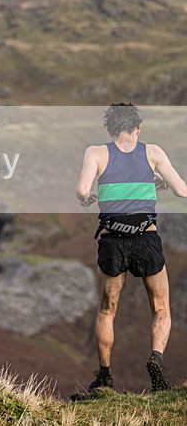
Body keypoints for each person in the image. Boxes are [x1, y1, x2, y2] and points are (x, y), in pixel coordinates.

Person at [76, 103, 187, 392]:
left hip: (112, 240)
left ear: (109, 129)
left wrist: (87, 197)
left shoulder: (96, 153)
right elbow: (182, 190)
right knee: (161, 307)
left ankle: (105, 376)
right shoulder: (153, 153)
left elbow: (82, 190)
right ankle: (156, 357)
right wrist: (157, 182)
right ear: (138, 128)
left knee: (107, 310)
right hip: (146, 236)